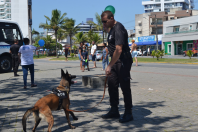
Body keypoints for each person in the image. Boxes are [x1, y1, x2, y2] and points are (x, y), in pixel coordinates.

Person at [101, 11, 133, 123]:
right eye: (102, 22)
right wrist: (106, 29)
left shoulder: (119, 28)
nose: (103, 23)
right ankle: (114, 110)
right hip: (115, 61)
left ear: (111, 18)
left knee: (125, 87)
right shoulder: (112, 29)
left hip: (122, 61)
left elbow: (118, 49)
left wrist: (109, 65)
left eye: (105, 21)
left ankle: (129, 112)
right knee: (112, 85)